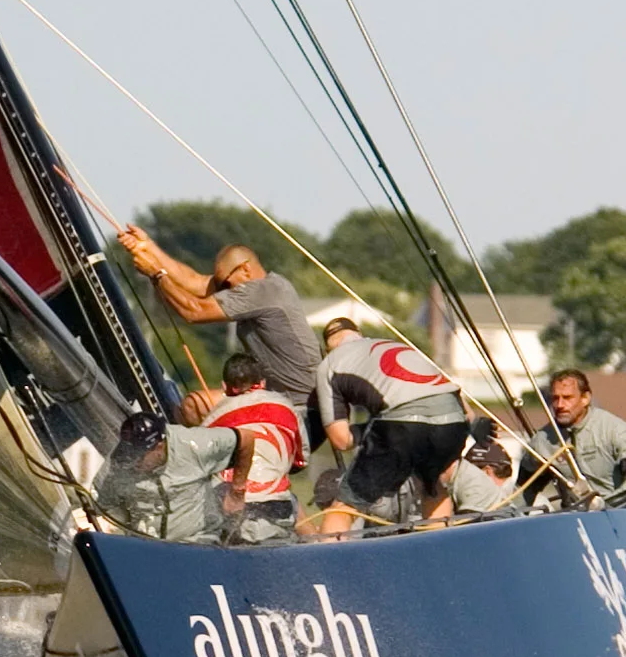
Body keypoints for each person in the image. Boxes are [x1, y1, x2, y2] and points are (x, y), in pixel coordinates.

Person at [116, 229, 319, 415]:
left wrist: (156, 273)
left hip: (300, 407)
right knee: (192, 407)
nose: (224, 289)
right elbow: (194, 282)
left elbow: (194, 311)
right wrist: (149, 247)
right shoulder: (256, 286)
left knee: (194, 407)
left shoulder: (264, 291)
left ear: (245, 269)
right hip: (273, 395)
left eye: (226, 283)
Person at [311, 318, 468, 533]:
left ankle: (327, 563)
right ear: (359, 333)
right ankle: (438, 557)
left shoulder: (329, 365)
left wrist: (368, 428)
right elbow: (469, 412)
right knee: (432, 487)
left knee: (344, 505)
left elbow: (342, 440)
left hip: (402, 425)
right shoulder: (396, 345)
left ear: (328, 347)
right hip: (455, 421)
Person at [183, 352, 304, 544]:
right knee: (293, 503)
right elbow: (300, 461)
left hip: (230, 511)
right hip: (277, 510)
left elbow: (197, 471)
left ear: (224, 387)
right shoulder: (288, 408)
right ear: (262, 383)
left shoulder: (213, 420)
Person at [96, 409, 264, 544]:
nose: (134, 462)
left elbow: (246, 438)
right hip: (147, 548)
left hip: (198, 543)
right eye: (130, 454)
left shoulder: (195, 444)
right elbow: (104, 506)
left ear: (159, 447)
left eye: (139, 456)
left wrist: (237, 491)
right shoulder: (119, 461)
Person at [526, 368, 626, 505]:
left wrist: (604, 505)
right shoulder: (542, 442)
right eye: (555, 398)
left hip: (622, 514)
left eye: (567, 398)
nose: (560, 405)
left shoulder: (615, 430)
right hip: (573, 519)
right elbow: (522, 490)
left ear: (585, 398)